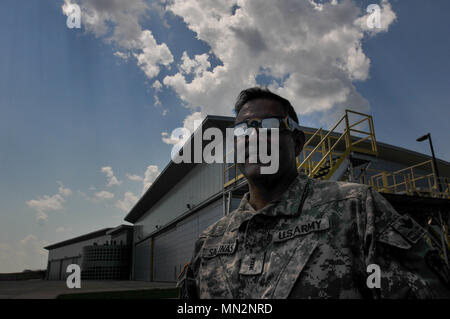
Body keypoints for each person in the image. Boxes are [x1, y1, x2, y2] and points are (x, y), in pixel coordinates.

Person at [178, 87, 450, 299]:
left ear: (297, 144)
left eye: (270, 126)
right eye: (242, 130)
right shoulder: (210, 240)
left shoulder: (356, 210)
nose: (254, 137)